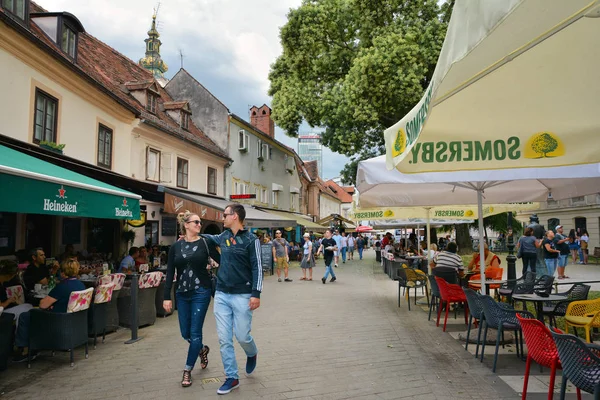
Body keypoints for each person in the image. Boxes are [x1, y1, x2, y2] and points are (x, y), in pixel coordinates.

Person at [202, 204, 262, 395]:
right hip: (221, 294)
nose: (223, 218)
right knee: (224, 338)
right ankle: (232, 377)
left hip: (243, 295)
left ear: (235, 216)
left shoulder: (252, 240)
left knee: (242, 336)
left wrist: (256, 293)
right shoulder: (224, 236)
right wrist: (193, 236)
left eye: (225, 215)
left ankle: (251, 352)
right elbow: (210, 239)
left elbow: (257, 268)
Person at [163, 211, 220, 387]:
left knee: (195, 333)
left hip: (200, 292)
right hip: (182, 292)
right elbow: (170, 272)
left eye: (200, 222)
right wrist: (167, 297)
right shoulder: (175, 247)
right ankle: (202, 349)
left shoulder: (205, 242)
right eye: (195, 222)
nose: (199, 224)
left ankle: (187, 370)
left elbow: (222, 261)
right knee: (185, 333)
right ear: (186, 225)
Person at [14, 259, 85, 362]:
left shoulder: (62, 287)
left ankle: (24, 349)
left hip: (58, 321)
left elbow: (43, 305)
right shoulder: (80, 284)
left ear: (63, 273)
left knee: (26, 316)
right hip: (74, 320)